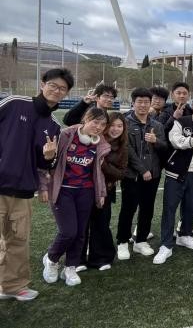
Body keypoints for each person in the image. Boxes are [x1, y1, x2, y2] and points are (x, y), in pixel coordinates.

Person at [0, 68, 73, 301]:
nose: (57, 91)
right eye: (53, 85)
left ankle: (12, 286)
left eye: (62, 88)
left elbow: (46, 165)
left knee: (18, 241)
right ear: (42, 84)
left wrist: (49, 157)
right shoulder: (15, 103)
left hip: (23, 191)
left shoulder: (53, 126)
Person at [40, 108, 110, 287]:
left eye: (103, 124)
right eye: (95, 122)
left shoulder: (100, 142)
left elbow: (98, 172)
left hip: (86, 191)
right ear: (86, 119)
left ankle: (70, 267)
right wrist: (43, 186)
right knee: (68, 232)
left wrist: (101, 192)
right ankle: (51, 259)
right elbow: (46, 162)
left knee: (80, 233)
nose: (98, 127)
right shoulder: (66, 135)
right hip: (63, 190)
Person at [153, 94, 193, 264]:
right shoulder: (181, 122)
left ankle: (184, 235)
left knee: (191, 208)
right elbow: (174, 140)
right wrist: (192, 141)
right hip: (175, 174)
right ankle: (166, 245)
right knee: (169, 209)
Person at [116, 88, 167, 260]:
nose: (143, 105)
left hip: (153, 175)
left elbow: (164, 147)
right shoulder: (125, 123)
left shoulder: (157, 125)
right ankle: (123, 242)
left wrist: (156, 141)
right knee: (128, 209)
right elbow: (127, 149)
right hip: (132, 175)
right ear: (133, 103)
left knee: (147, 208)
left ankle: (141, 241)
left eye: (146, 102)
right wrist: (142, 169)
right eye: (140, 102)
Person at [78, 112, 128, 272]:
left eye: (120, 126)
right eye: (112, 125)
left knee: (101, 223)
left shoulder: (122, 147)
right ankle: (77, 259)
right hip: (84, 188)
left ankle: (101, 258)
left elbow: (121, 173)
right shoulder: (94, 139)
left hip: (106, 190)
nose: (115, 129)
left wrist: (104, 165)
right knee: (81, 224)